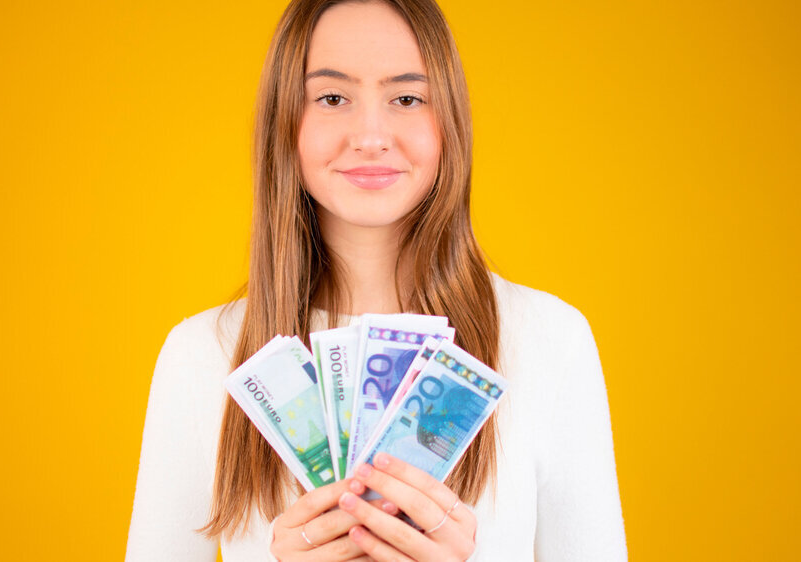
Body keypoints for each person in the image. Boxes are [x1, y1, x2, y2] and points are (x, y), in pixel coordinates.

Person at [125, 0, 627, 560]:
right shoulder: (201, 355)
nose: (370, 136)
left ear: (449, 122)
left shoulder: (550, 339)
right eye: (333, 98)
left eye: (407, 98)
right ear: (284, 121)